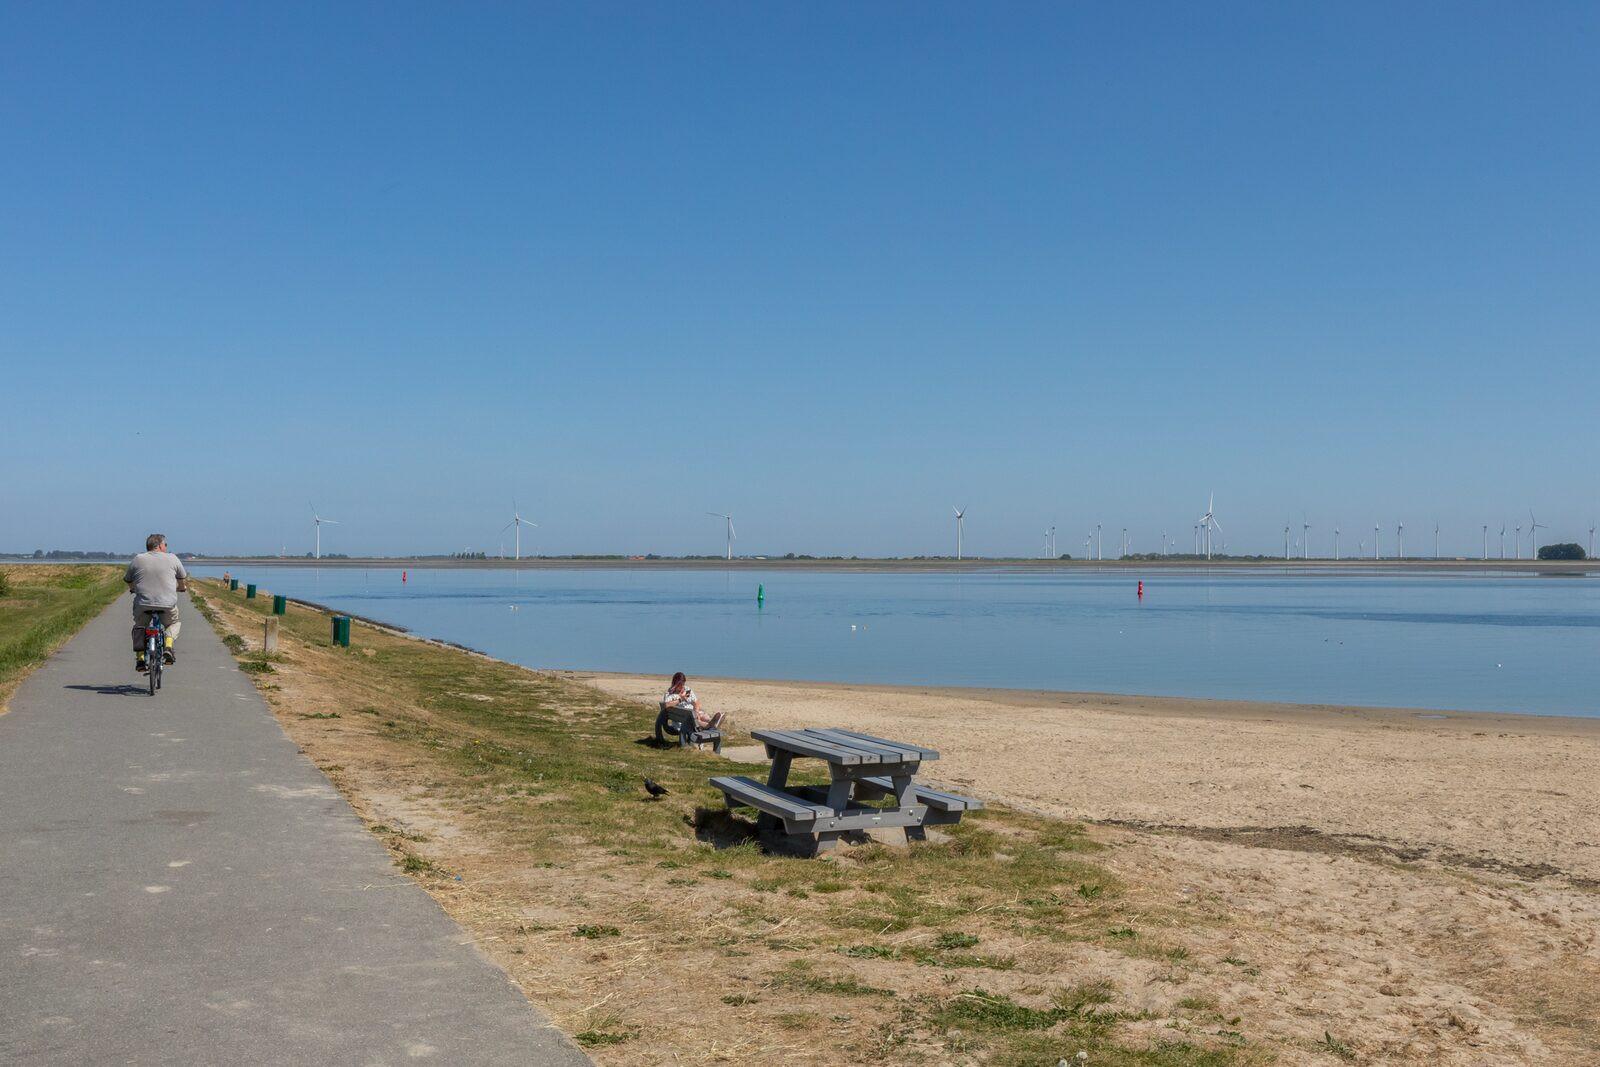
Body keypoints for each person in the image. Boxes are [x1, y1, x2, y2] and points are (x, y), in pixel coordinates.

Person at [125, 533, 188, 672]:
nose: (166, 547)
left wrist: (133, 589)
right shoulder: (172, 558)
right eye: (165, 545)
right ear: (159, 545)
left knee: (140, 627)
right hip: (167, 605)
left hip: (143, 604)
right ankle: (168, 647)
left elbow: (128, 579)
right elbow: (182, 578)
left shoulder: (138, 558)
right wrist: (182, 588)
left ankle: (140, 659)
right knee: (173, 623)